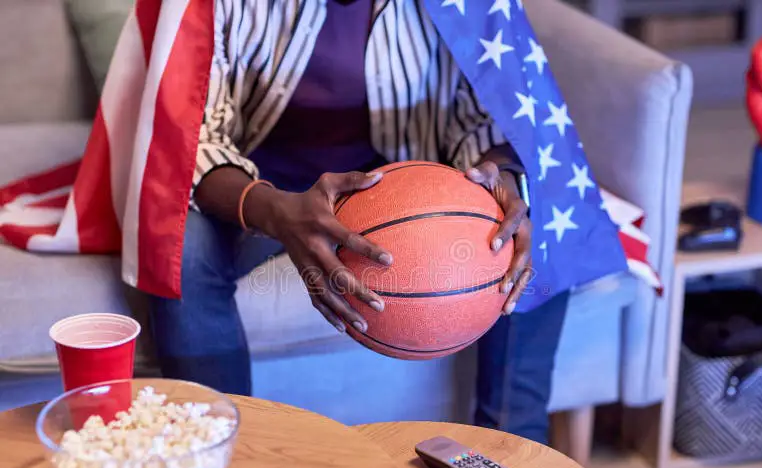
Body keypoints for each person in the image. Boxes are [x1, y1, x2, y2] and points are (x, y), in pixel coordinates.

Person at [144, 0, 572, 445]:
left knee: (532, 220)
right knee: (184, 250)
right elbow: (190, 137)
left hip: (401, 187)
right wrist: (275, 212)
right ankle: (219, 457)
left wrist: (497, 175)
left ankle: (511, 457)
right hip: (264, 186)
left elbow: (483, 120)